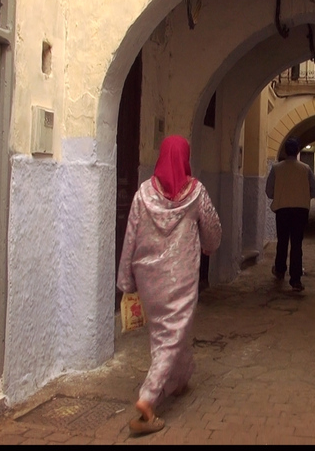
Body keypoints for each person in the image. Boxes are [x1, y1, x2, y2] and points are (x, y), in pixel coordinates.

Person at [116, 135, 222, 436]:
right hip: (181, 276)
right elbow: (212, 228)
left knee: (168, 331)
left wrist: (126, 279)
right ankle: (148, 400)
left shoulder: (143, 193)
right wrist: (210, 245)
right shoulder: (196, 192)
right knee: (172, 334)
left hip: (149, 277)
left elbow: (131, 236)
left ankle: (179, 379)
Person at [265, 137, 315, 292]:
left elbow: (269, 191)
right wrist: (303, 195)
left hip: (282, 209)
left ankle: (280, 270)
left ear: (285, 151)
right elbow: (314, 190)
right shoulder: (306, 169)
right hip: (300, 210)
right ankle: (295, 280)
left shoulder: (276, 168)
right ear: (297, 151)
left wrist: (280, 194)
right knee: (296, 244)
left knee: (282, 241)